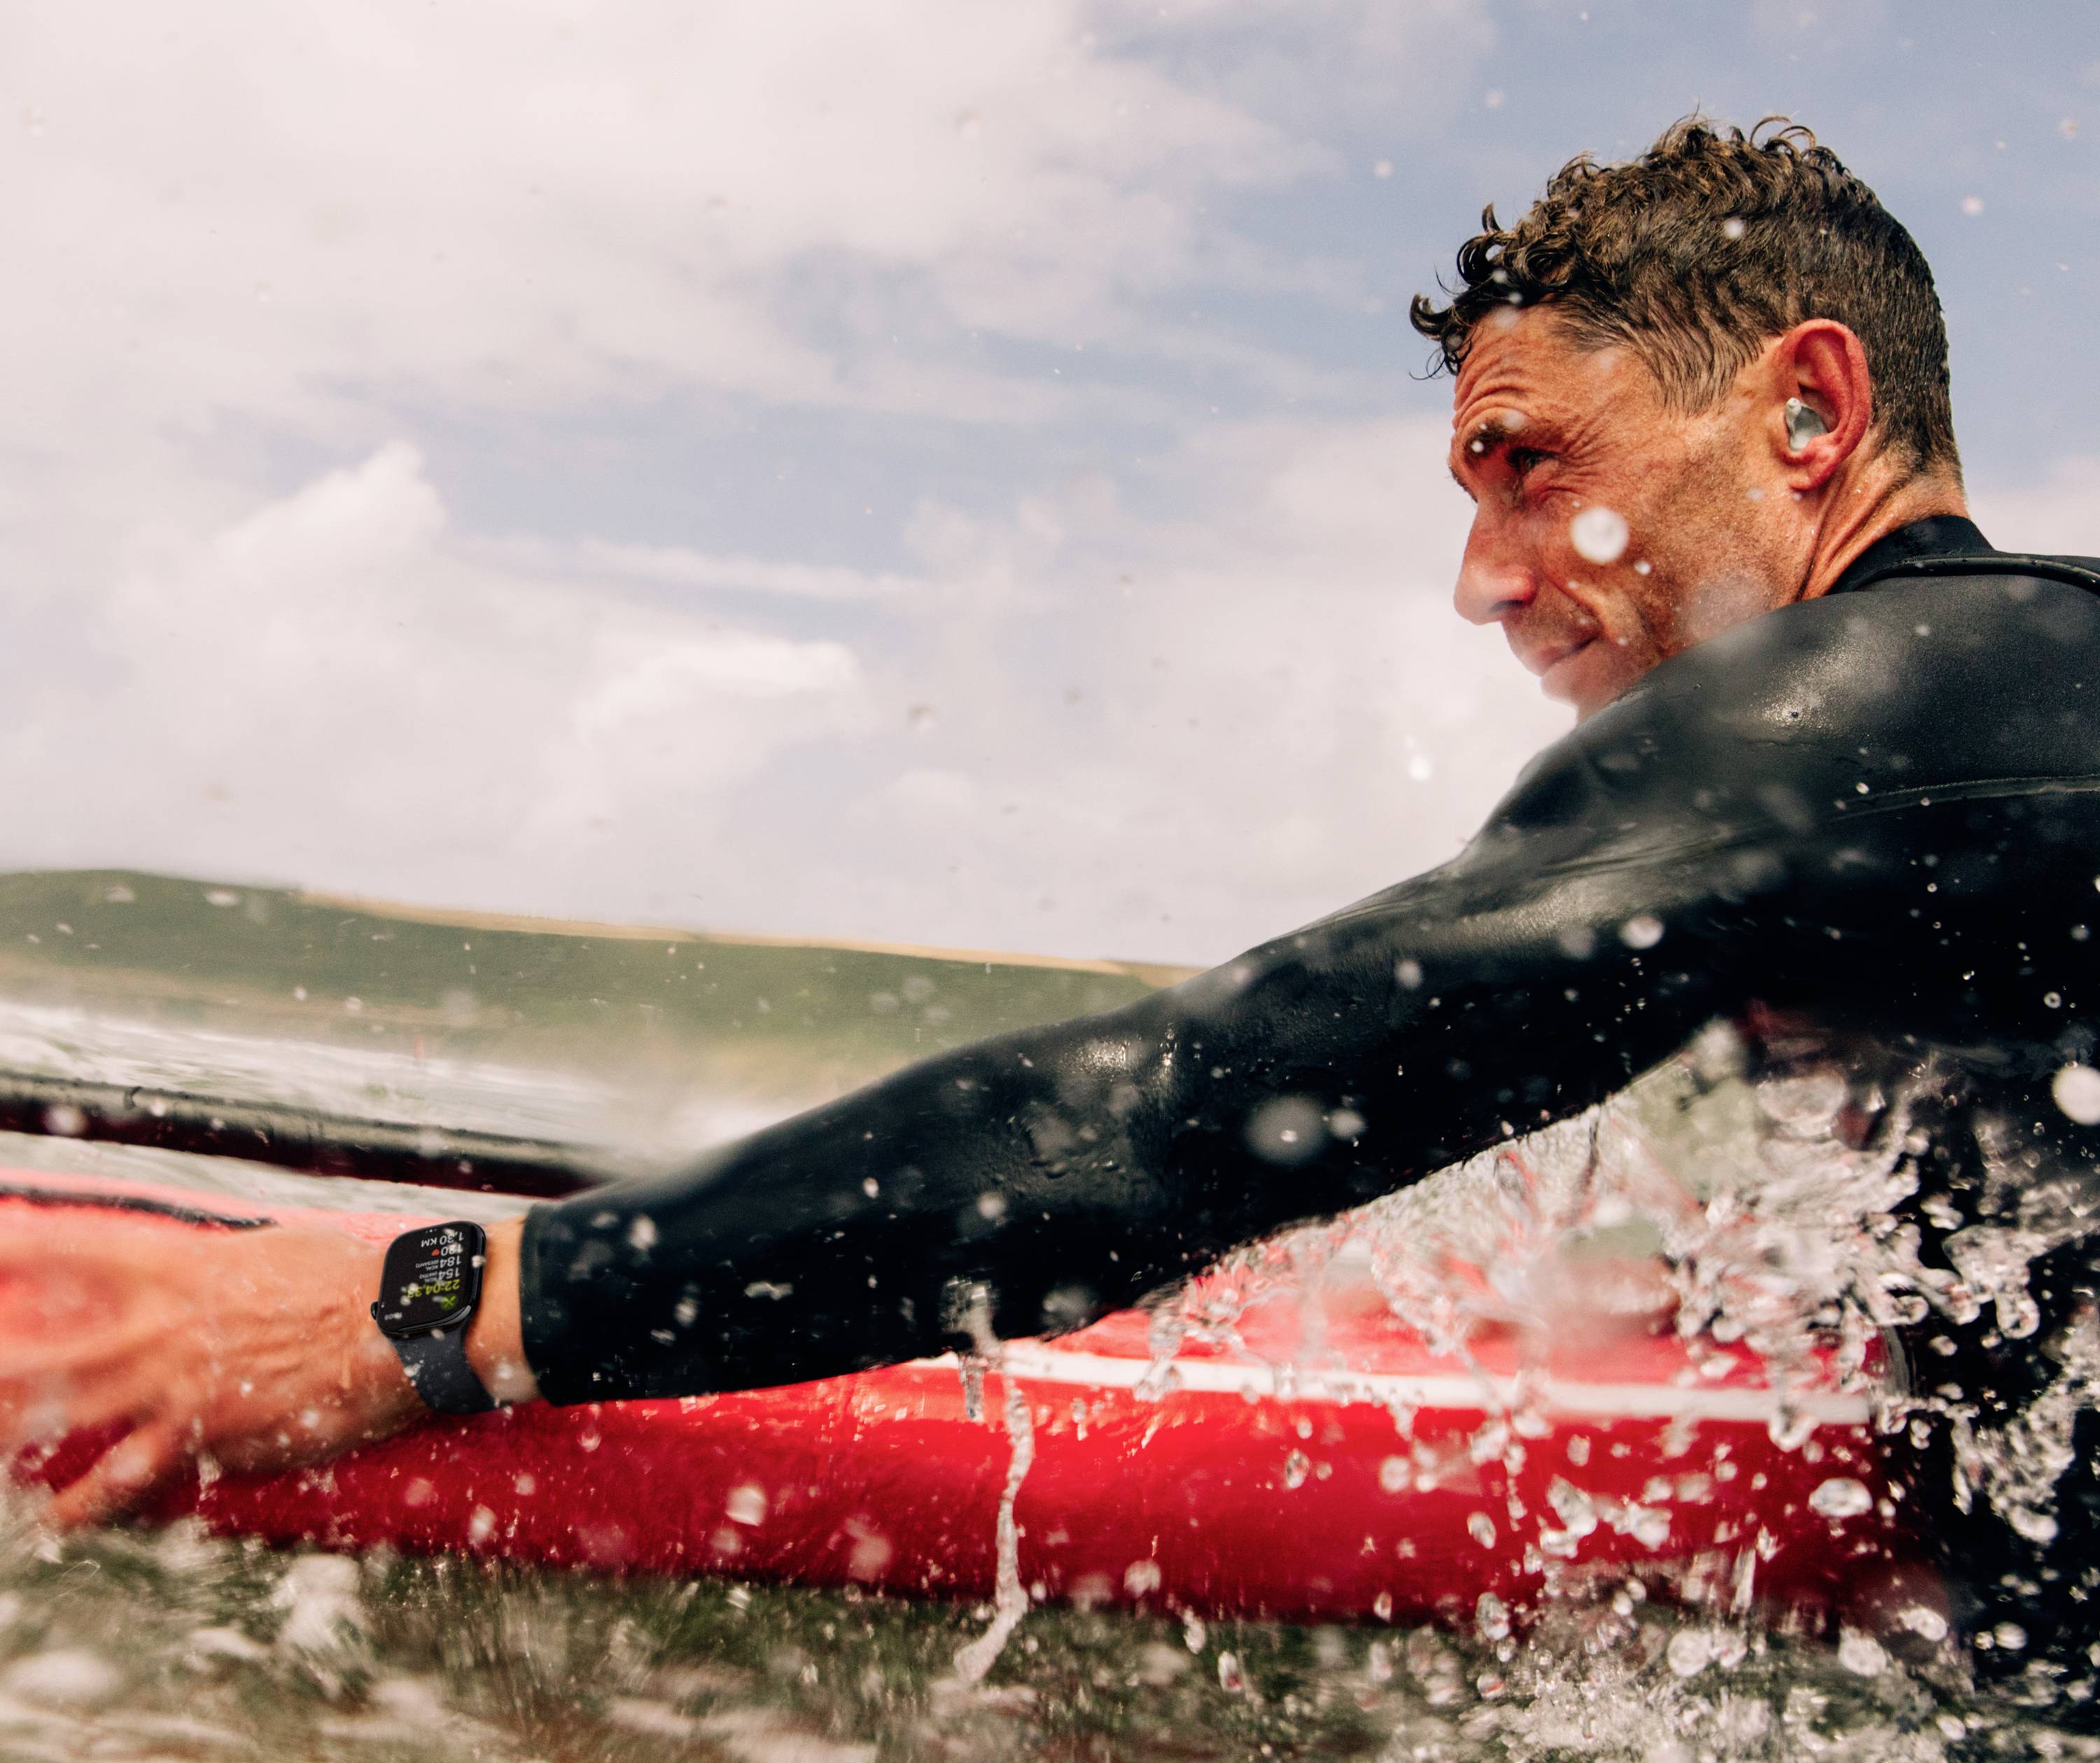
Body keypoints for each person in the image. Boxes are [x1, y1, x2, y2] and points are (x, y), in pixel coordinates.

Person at [10, 118, 2100, 1681]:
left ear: (1808, 411)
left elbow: (1171, 1126)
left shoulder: (1859, 725)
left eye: (1528, 467)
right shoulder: (1973, 735)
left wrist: (438, 1315)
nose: (1482, 580)